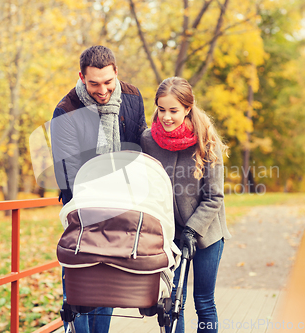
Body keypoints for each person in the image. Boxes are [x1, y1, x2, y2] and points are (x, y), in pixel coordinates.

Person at [50, 45, 146, 333]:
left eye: (108, 81)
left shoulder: (132, 96)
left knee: (107, 283)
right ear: (81, 77)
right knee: (80, 287)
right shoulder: (65, 111)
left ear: (116, 71)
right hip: (82, 207)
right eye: (93, 83)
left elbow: (137, 150)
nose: (102, 90)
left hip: (121, 205)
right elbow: (67, 175)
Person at [140, 77, 231, 333]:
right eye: (161, 109)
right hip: (169, 235)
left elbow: (215, 197)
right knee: (170, 305)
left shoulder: (206, 141)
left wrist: (192, 230)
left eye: (173, 110)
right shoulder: (148, 140)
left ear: (187, 109)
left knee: (203, 302)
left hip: (207, 233)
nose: (166, 117)